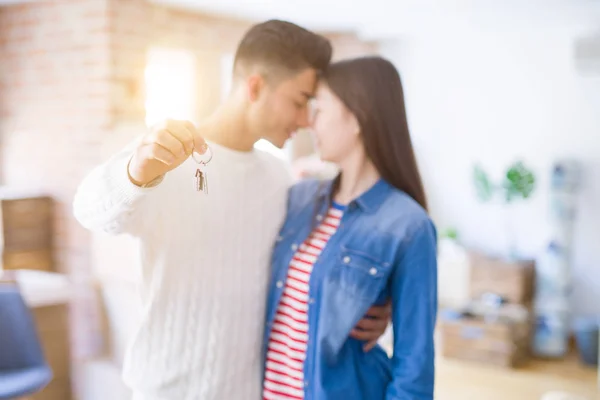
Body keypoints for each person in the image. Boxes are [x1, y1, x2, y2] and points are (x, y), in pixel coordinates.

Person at [72, 20, 390, 400]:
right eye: (299, 100)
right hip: (166, 391)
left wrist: (368, 310)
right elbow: (90, 212)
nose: (307, 120)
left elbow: (300, 273)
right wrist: (134, 173)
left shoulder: (278, 177)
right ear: (255, 86)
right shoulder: (164, 158)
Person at [262, 56, 438, 400]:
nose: (310, 122)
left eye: (320, 109)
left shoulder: (408, 226)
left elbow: (414, 368)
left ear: (358, 117)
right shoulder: (299, 200)